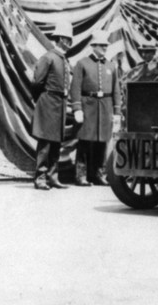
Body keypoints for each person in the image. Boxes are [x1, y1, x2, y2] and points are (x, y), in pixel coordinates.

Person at [70, 30, 122, 186]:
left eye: (106, 45)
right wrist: (77, 108)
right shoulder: (82, 63)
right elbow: (75, 88)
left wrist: (117, 112)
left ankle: (98, 174)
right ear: (94, 46)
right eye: (102, 45)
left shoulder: (111, 66)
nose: (105, 47)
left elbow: (116, 90)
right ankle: (81, 176)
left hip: (105, 107)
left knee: (102, 142)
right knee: (85, 142)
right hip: (88, 106)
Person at [30, 21, 74, 190]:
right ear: (61, 39)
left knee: (56, 142)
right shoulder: (48, 57)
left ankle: (53, 177)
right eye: (67, 39)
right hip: (48, 103)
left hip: (60, 105)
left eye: (70, 39)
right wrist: (42, 100)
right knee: (45, 144)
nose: (70, 42)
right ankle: (40, 178)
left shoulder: (64, 60)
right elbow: (36, 83)